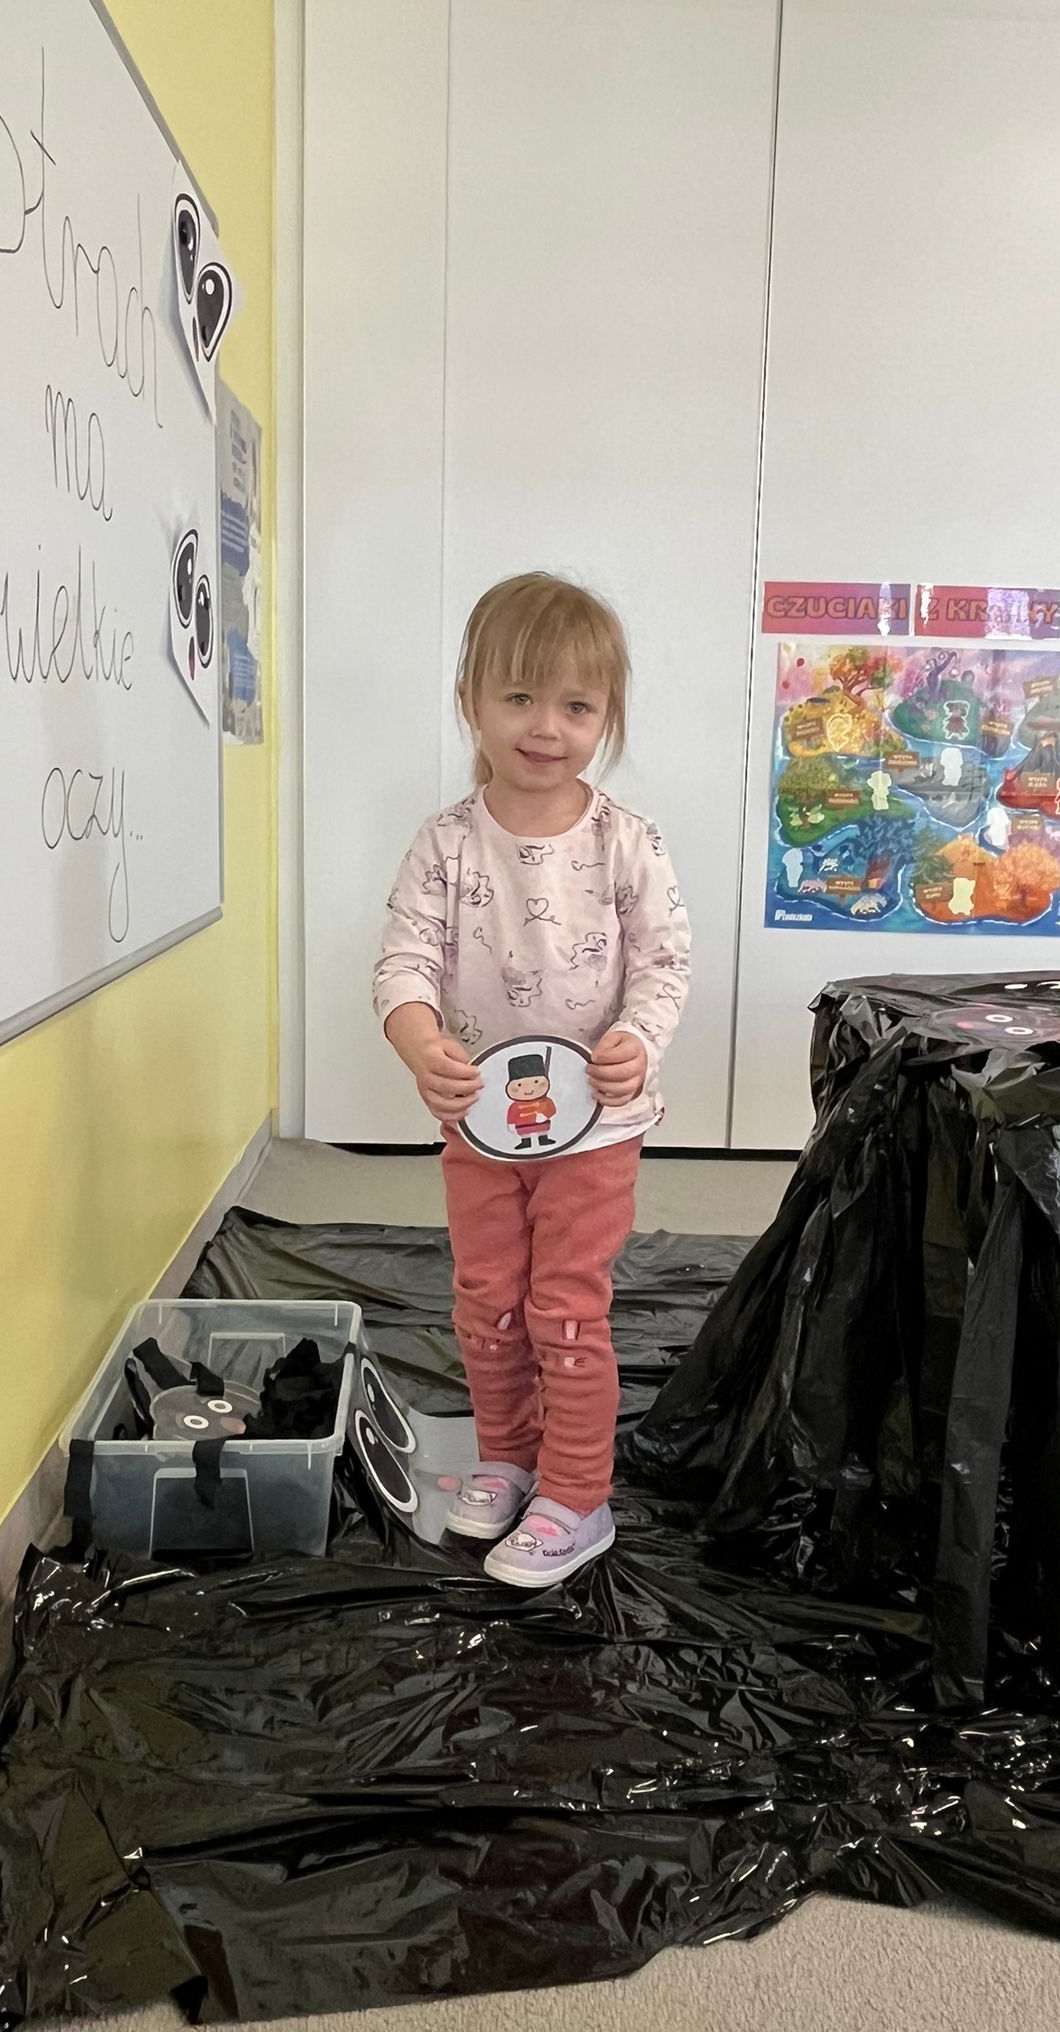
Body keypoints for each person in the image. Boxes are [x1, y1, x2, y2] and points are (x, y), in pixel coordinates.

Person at [372, 573, 690, 1588]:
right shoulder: (446, 843)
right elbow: (403, 965)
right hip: (481, 1128)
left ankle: (577, 1494)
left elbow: (664, 964)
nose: (546, 727)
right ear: (471, 699)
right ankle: (508, 1456)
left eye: (576, 706)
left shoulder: (626, 841)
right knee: (485, 1299)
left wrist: (637, 1036)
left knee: (565, 1305)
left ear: (607, 717)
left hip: (595, 1132)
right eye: (518, 697)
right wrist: (421, 1043)